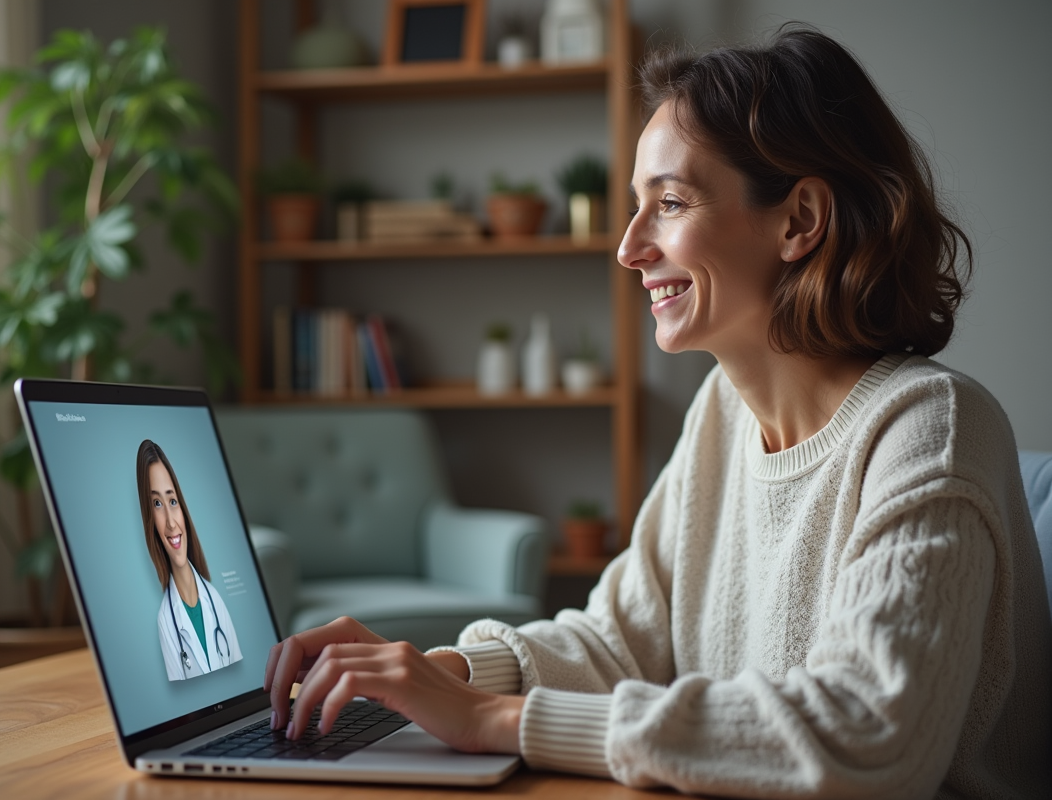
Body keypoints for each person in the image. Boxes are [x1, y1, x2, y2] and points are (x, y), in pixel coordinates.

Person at [261, 27, 1051, 797]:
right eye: (636, 207)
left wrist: (497, 719)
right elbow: (618, 641)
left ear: (799, 221)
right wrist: (434, 674)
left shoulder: (932, 428)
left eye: (669, 202)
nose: (629, 247)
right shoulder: (723, 411)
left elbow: (870, 735)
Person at [137, 439, 243, 681]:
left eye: (172, 501)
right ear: (149, 519)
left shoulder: (216, 601)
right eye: (157, 503)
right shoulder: (166, 621)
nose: (171, 522)